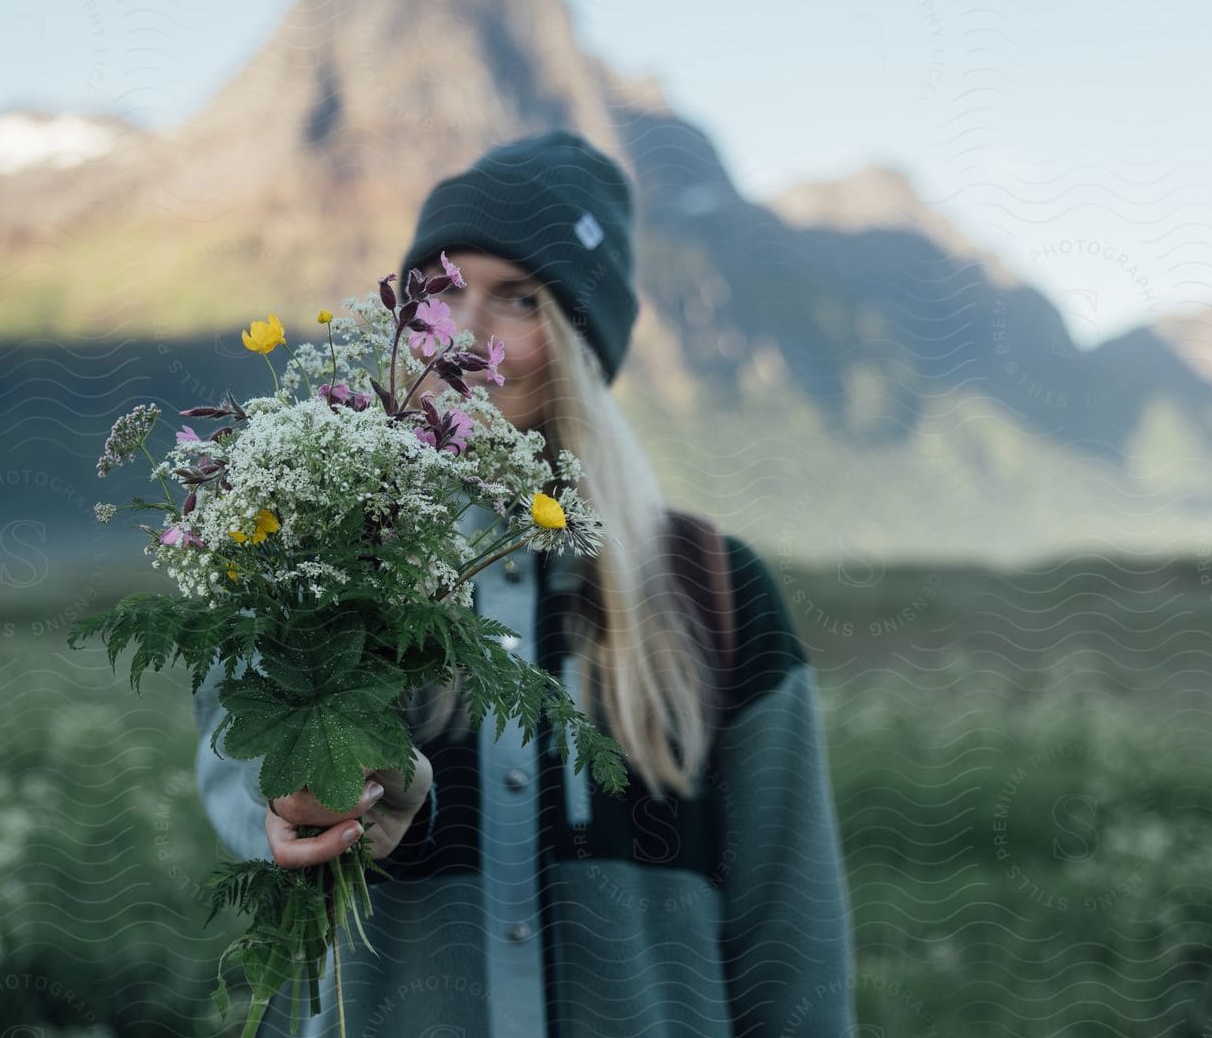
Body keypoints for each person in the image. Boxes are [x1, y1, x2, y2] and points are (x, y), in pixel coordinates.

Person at [193, 129, 857, 1036]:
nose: (464, 335)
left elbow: (794, 954)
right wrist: (312, 803)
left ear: (584, 344)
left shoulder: (716, 592)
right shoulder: (313, 561)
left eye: (519, 298)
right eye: (443, 291)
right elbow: (238, 766)